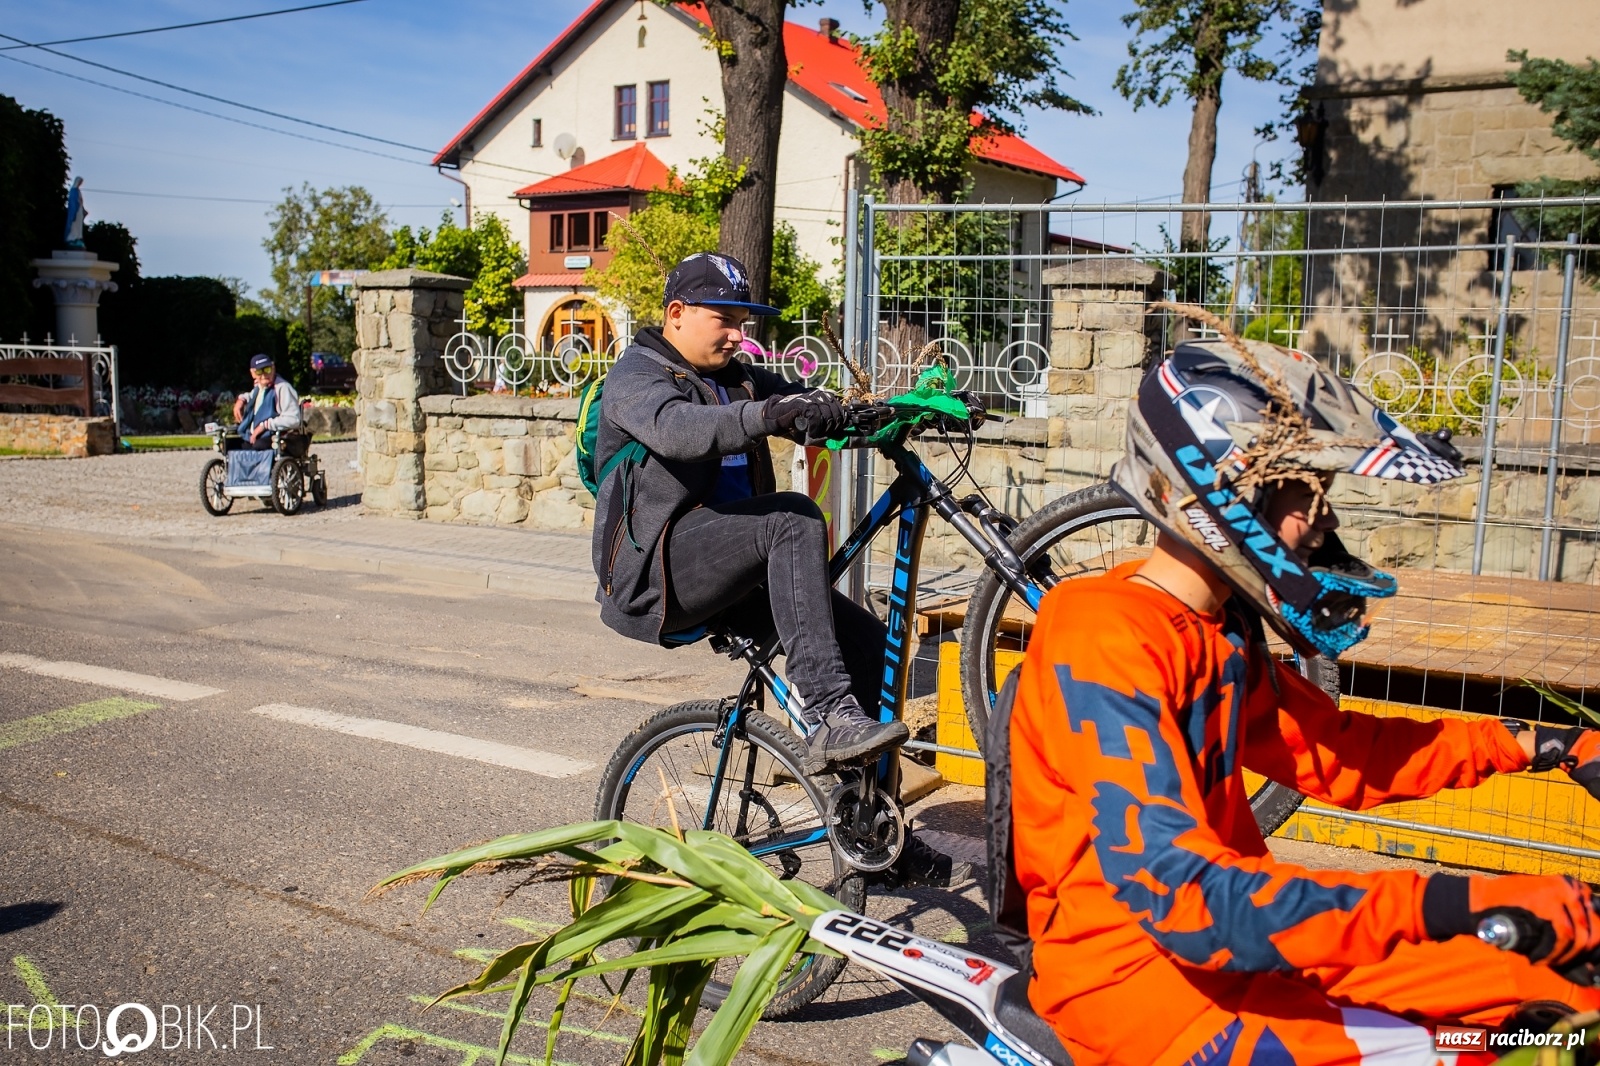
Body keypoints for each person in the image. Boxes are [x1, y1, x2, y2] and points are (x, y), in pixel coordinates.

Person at [1006, 337, 1600, 1066]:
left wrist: (1540, 742)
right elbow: (1176, 894)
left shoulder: (1214, 627)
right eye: (1305, 489)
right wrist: (1450, 904)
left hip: (1235, 944)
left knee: (1560, 994)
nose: (1324, 520)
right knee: (1473, 1052)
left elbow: (1342, 753)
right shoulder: (1100, 635)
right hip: (1137, 983)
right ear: (1222, 485)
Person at [591, 251, 963, 887]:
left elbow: (806, 403)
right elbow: (682, 430)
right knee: (793, 516)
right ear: (676, 314)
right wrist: (770, 416)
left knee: (874, 648)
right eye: (725, 319)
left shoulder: (736, 374)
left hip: (736, 567)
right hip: (659, 574)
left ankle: (877, 835)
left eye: (744, 320)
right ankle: (825, 713)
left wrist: (900, 409)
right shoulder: (637, 377)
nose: (739, 334)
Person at [232, 354, 302, 449]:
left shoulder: (283, 388)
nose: (264, 375)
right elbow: (253, 396)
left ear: (273, 368)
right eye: (259, 371)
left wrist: (264, 425)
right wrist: (241, 400)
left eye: (267, 369)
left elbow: (293, 420)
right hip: (253, 434)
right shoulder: (259, 387)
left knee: (258, 446)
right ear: (253, 373)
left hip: (274, 435)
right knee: (230, 444)